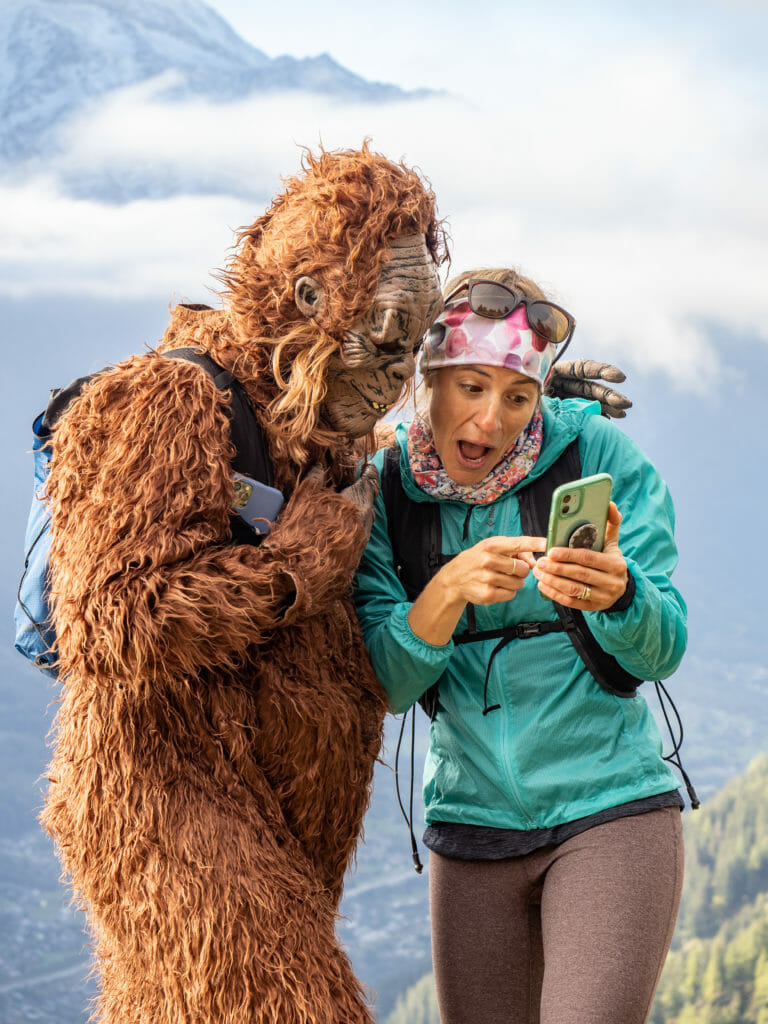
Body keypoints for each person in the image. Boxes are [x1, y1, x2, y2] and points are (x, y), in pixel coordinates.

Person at [354, 267, 687, 1024]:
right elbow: (391, 683)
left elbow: (662, 650)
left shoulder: (597, 454)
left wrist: (619, 595)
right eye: (471, 387)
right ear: (426, 381)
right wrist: (444, 593)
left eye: (516, 395)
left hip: (611, 808)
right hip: (471, 829)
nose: (492, 419)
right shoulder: (387, 491)